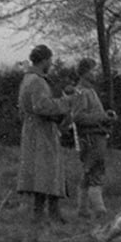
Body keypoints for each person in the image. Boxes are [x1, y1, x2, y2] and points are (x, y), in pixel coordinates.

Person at [17, 45, 73, 226]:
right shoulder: (38, 81)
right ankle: (47, 214)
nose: (51, 63)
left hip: (32, 129)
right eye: (50, 59)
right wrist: (65, 103)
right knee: (47, 171)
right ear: (44, 60)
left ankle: (44, 213)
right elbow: (42, 106)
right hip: (42, 130)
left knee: (41, 172)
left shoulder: (27, 78)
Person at [69, 58, 116, 218]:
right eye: (92, 70)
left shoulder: (90, 91)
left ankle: (83, 209)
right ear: (85, 72)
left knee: (91, 171)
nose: (95, 73)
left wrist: (106, 115)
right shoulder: (81, 92)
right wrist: (102, 118)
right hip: (90, 137)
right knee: (94, 170)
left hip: (97, 135)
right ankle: (99, 209)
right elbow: (79, 117)